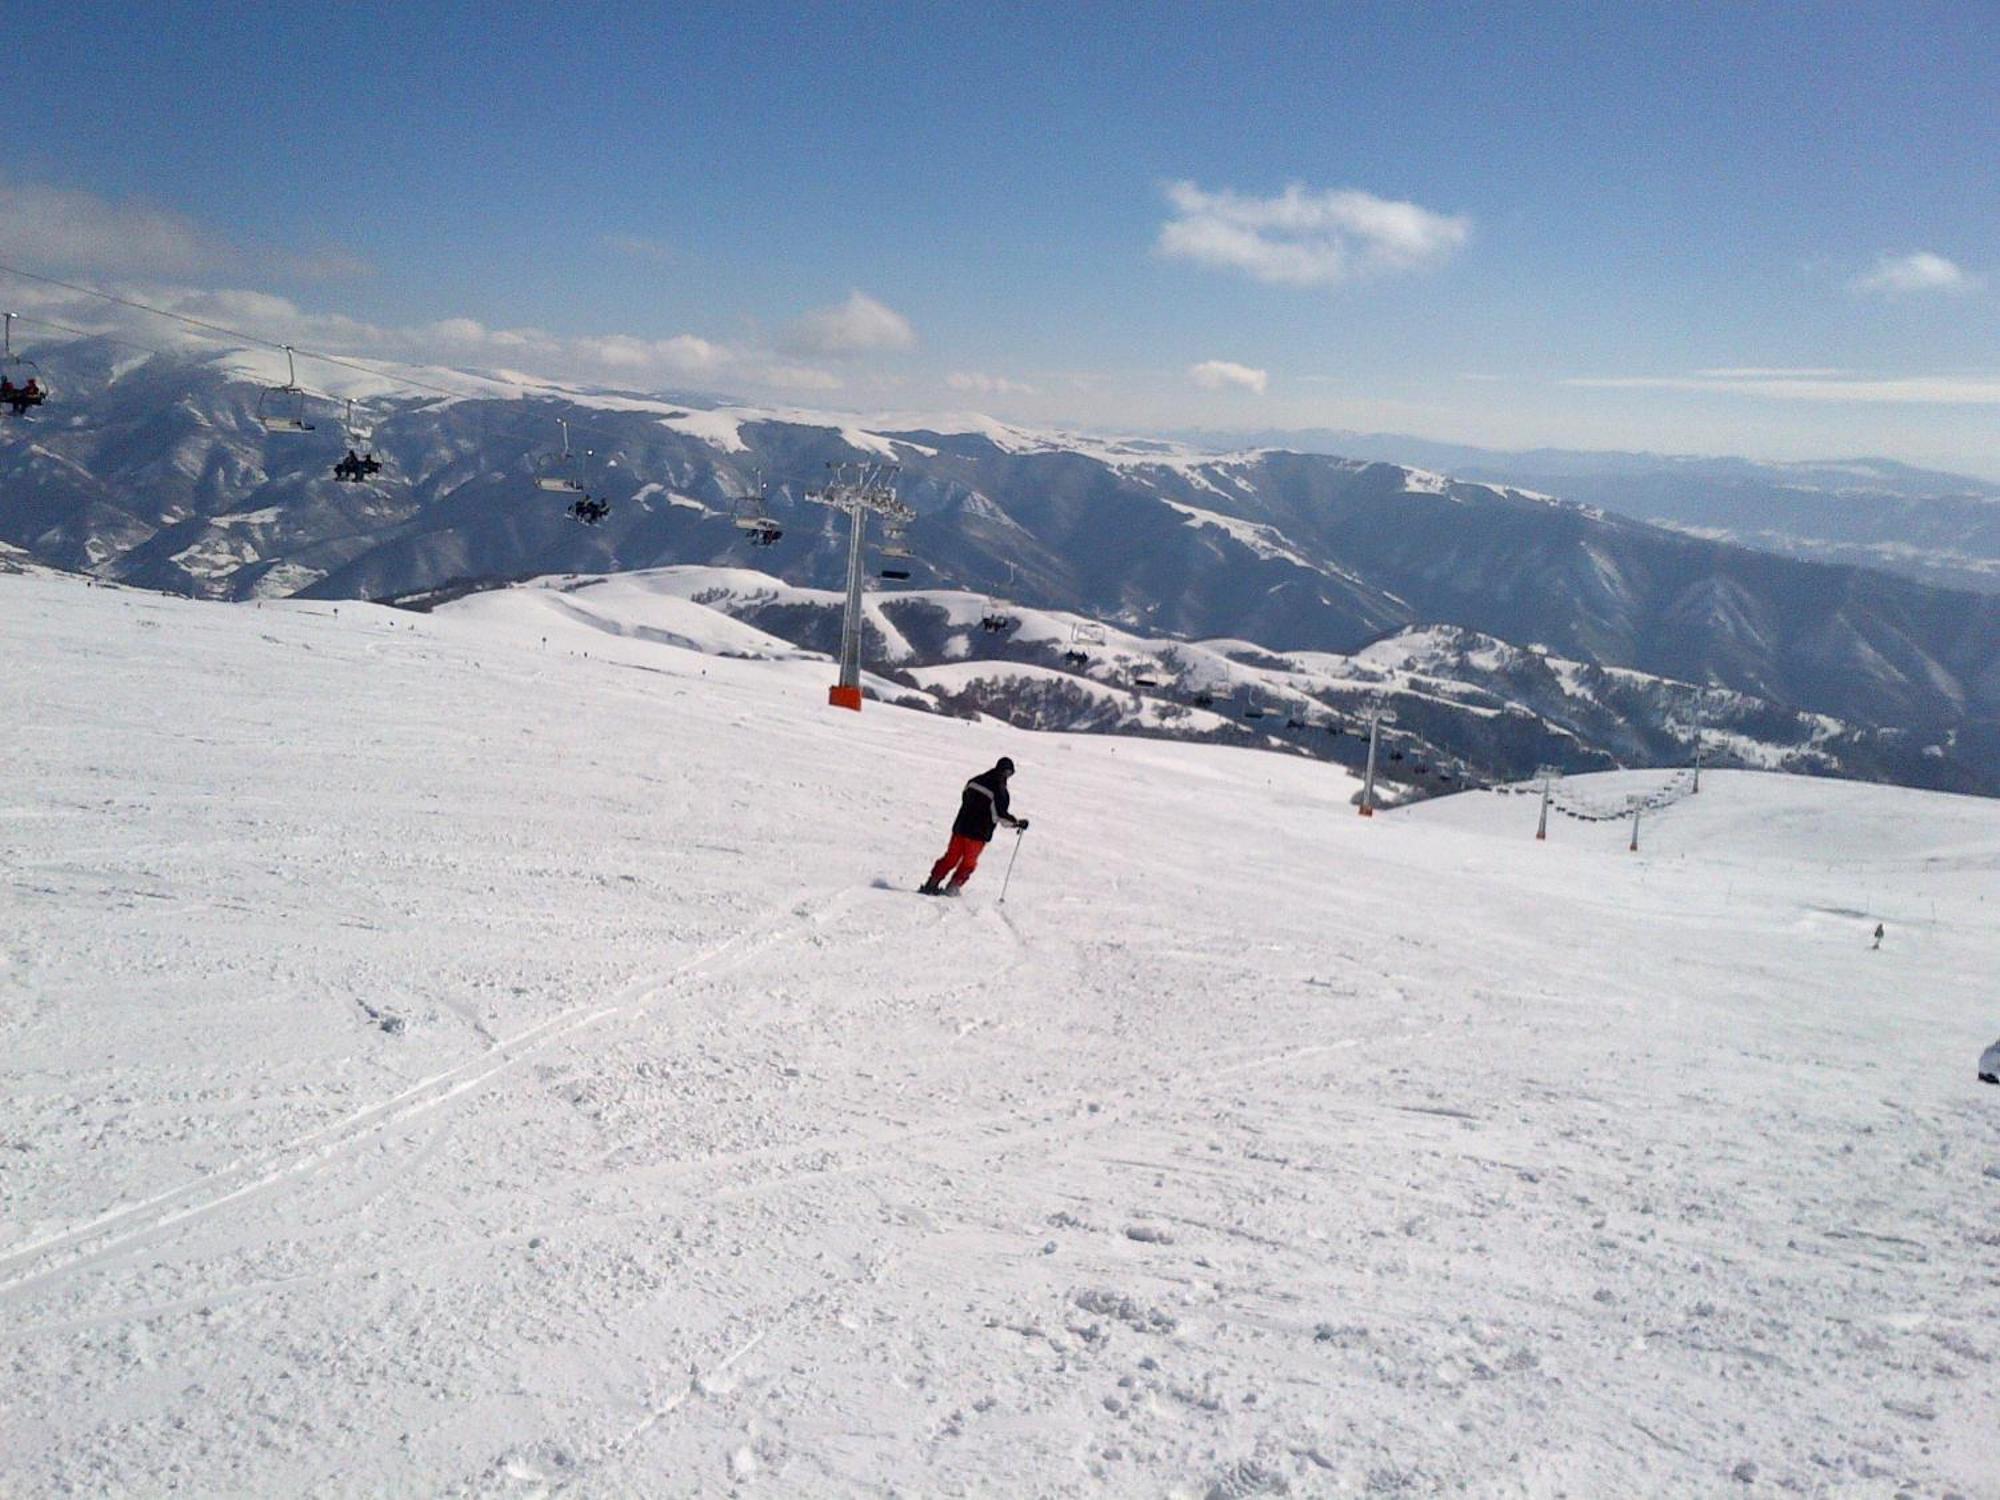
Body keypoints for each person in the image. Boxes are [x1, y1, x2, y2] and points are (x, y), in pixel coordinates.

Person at [921, 757, 1028, 896]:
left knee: (950, 858)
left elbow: (965, 797)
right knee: (968, 863)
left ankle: (932, 883)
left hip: (961, 827)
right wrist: (1017, 823)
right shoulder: (1000, 790)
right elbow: (1000, 816)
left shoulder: (975, 781)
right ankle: (952, 888)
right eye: (1008, 773)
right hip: (978, 834)